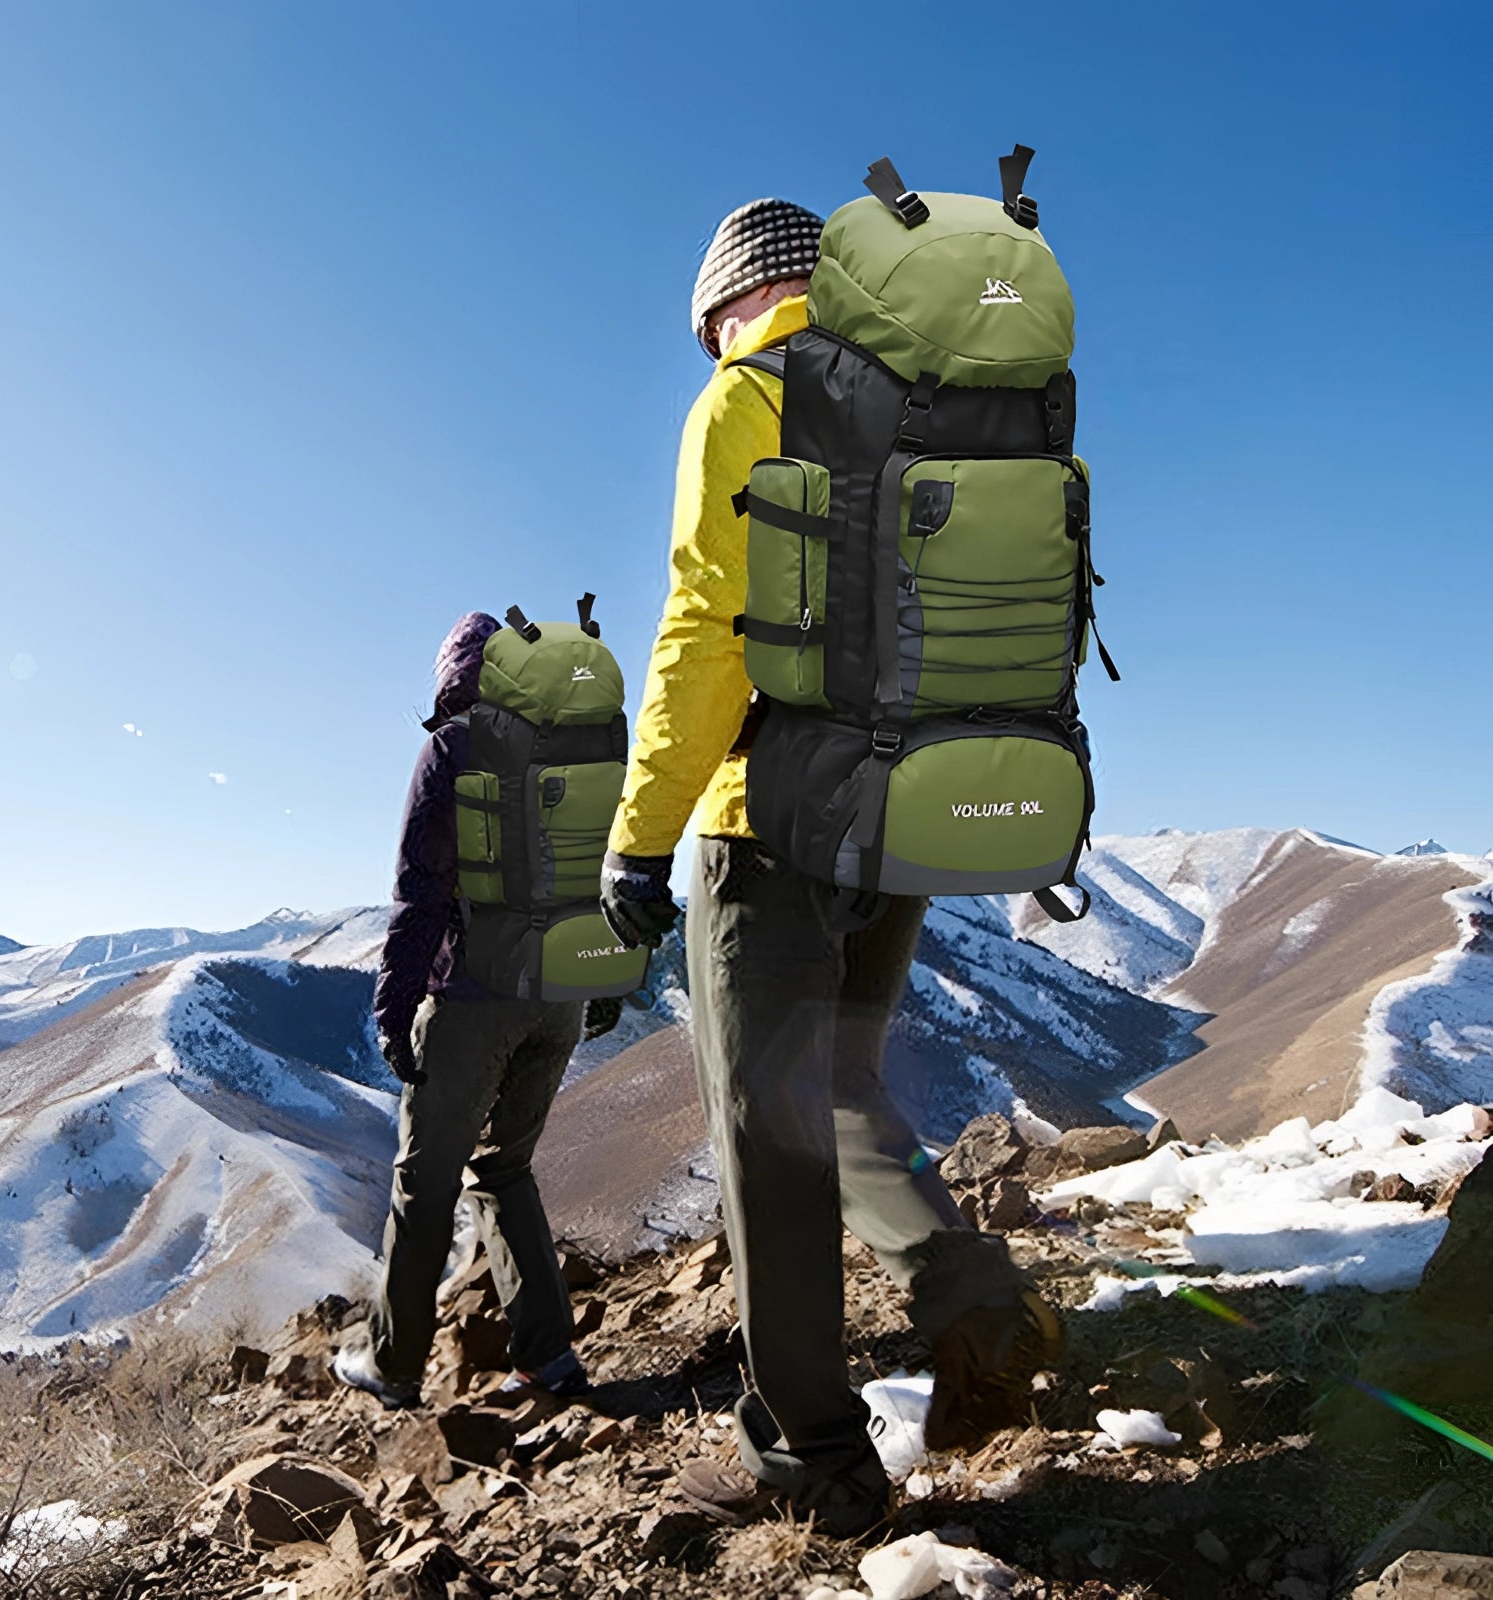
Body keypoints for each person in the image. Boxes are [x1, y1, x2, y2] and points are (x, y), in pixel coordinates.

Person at [600, 200, 1063, 1534]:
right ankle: (972, 1297)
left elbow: (707, 631)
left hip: (775, 822)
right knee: (841, 1091)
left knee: (767, 1145)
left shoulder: (747, 396)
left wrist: (642, 838)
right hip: (908, 817)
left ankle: (813, 1462)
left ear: (727, 307)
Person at [335, 611, 619, 1410]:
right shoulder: (579, 748)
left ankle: (393, 1365)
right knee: (506, 1167)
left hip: (472, 1001)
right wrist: (605, 983)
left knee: (423, 1185)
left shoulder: (453, 749)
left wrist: (394, 1008)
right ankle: (548, 1357)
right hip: (559, 996)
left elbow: (420, 893)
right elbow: (607, 874)